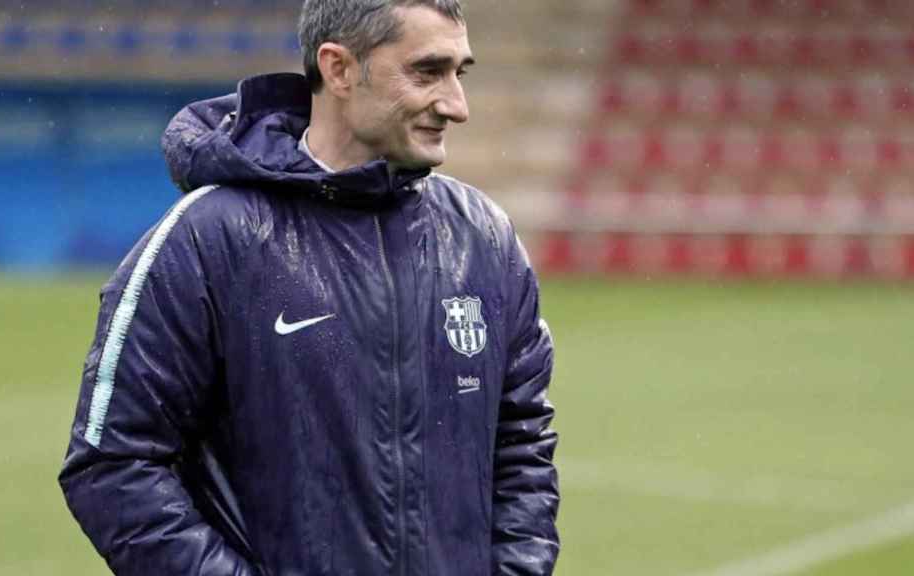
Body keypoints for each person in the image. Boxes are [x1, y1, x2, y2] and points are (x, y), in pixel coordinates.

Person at [59, 1, 559, 574]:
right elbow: (113, 463)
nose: (456, 104)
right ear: (339, 68)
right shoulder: (207, 239)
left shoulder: (483, 238)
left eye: (459, 73)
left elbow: (522, 444)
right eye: (427, 72)